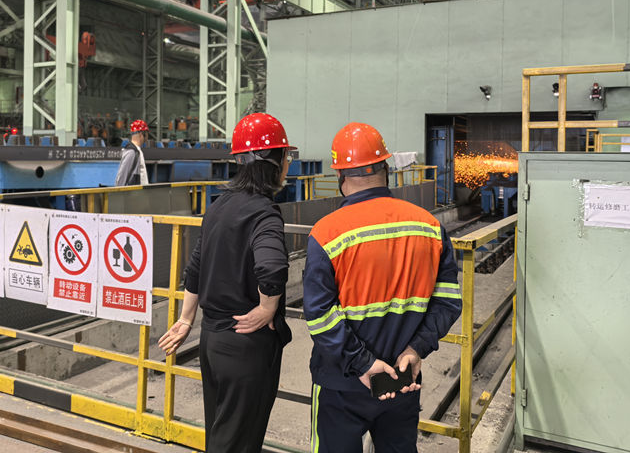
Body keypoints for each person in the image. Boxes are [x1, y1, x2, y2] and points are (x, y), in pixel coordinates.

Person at [303, 122, 462, 453]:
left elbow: (319, 316)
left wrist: (363, 364)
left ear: (340, 175)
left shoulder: (327, 233)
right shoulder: (429, 226)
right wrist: (415, 349)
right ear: (386, 168)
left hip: (343, 383)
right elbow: (448, 302)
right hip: (403, 379)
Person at [157, 112, 295, 453]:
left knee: (221, 438)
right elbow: (272, 268)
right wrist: (267, 307)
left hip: (212, 342)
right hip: (246, 345)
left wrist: (186, 319)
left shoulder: (218, 207)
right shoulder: (264, 212)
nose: (288, 164)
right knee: (238, 444)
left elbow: (195, 267)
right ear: (271, 161)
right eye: (286, 156)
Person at [114, 119, 149, 186]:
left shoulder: (136, 151)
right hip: (134, 192)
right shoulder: (131, 152)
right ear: (141, 134)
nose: (147, 137)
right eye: (147, 133)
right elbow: (122, 177)